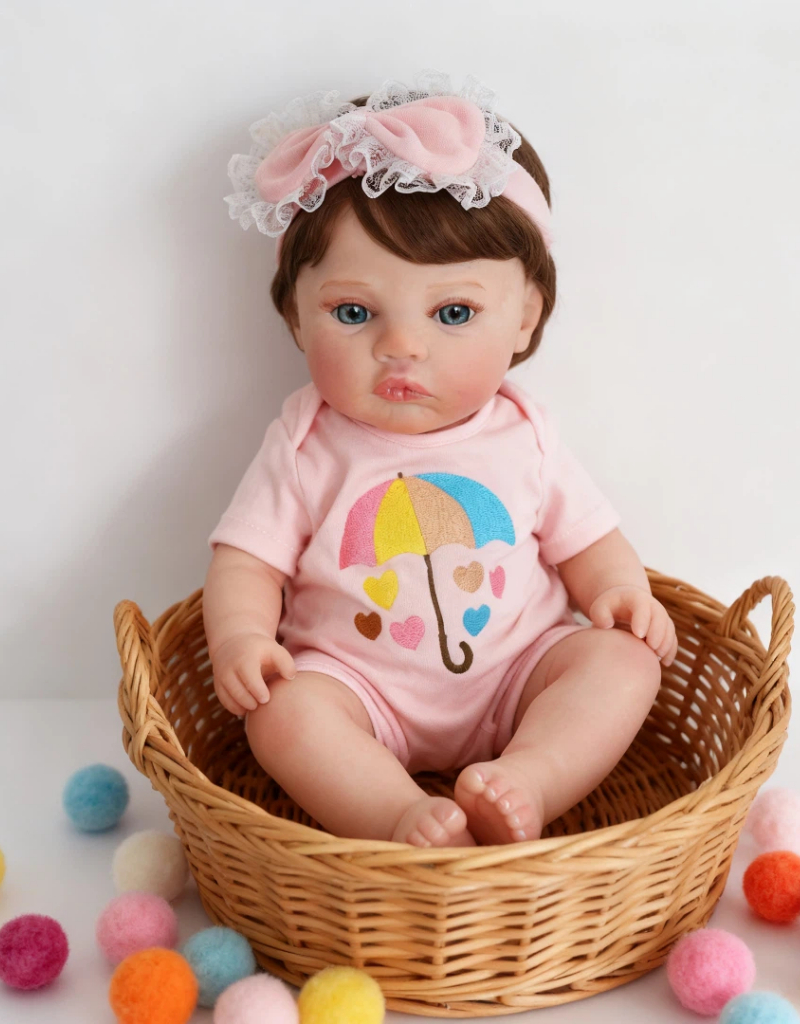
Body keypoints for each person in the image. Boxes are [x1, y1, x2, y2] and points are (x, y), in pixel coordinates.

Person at [203, 70, 677, 848]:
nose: (402, 346)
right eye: (353, 312)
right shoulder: (304, 441)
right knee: (282, 716)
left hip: (519, 675)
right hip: (356, 690)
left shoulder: (524, 433)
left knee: (624, 665)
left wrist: (619, 593)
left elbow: (590, 539)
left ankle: (532, 777)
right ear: (296, 316)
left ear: (524, 317)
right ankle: (395, 813)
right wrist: (241, 640)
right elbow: (247, 561)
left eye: (453, 312)